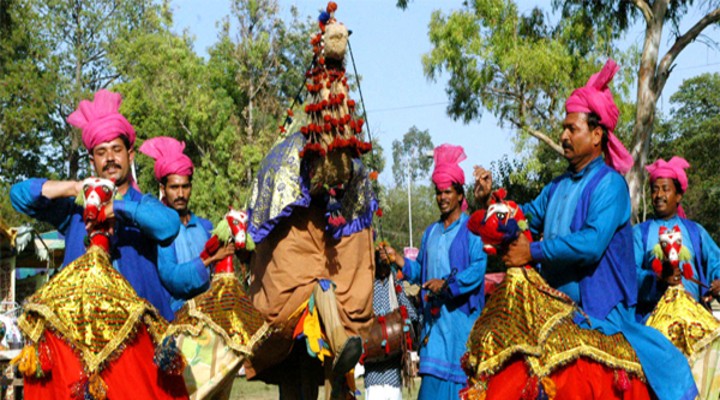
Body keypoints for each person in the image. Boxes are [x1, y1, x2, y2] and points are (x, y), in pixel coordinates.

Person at [474, 60, 697, 400]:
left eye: (571, 129)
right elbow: (523, 218)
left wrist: (531, 252)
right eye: (563, 129)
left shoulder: (610, 186)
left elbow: (592, 243)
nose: (563, 136)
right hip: (552, 312)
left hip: (602, 316)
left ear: (596, 135)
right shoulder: (556, 187)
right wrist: (491, 201)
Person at [10, 89, 181, 321]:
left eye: (116, 150)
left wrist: (117, 209)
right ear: (92, 161)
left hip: (141, 333)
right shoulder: (74, 211)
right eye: (101, 152)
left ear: (130, 156)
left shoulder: (143, 204)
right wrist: (73, 189)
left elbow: (169, 225)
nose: (110, 158)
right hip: (83, 333)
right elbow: (19, 195)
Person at [380, 144, 486, 400]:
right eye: (438, 192)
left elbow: (478, 268)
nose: (442, 197)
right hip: (434, 337)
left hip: (462, 333)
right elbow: (421, 272)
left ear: (460, 195)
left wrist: (447, 285)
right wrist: (398, 259)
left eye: (447, 192)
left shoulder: (472, 230)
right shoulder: (430, 233)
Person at [139, 136, 234, 312]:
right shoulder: (161, 232)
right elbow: (172, 278)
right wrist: (210, 259)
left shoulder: (205, 227)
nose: (181, 194)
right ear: (163, 189)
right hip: (177, 317)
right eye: (174, 188)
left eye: (185, 187)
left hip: (211, 310)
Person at [634, 156, 720, 319]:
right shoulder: (639, 233)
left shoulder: (695, 231)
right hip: (653, 320)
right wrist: (658, 280)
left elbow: (716, 262)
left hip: (693, 316)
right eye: (654, 189)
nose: (658, 195)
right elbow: (629, 274)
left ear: (678, 195)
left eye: (665, 189)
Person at [363, 256, 419, 400]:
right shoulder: (366, 285)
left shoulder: (394, 283)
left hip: (393, 372)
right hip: (372, 372)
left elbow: (412, 315)